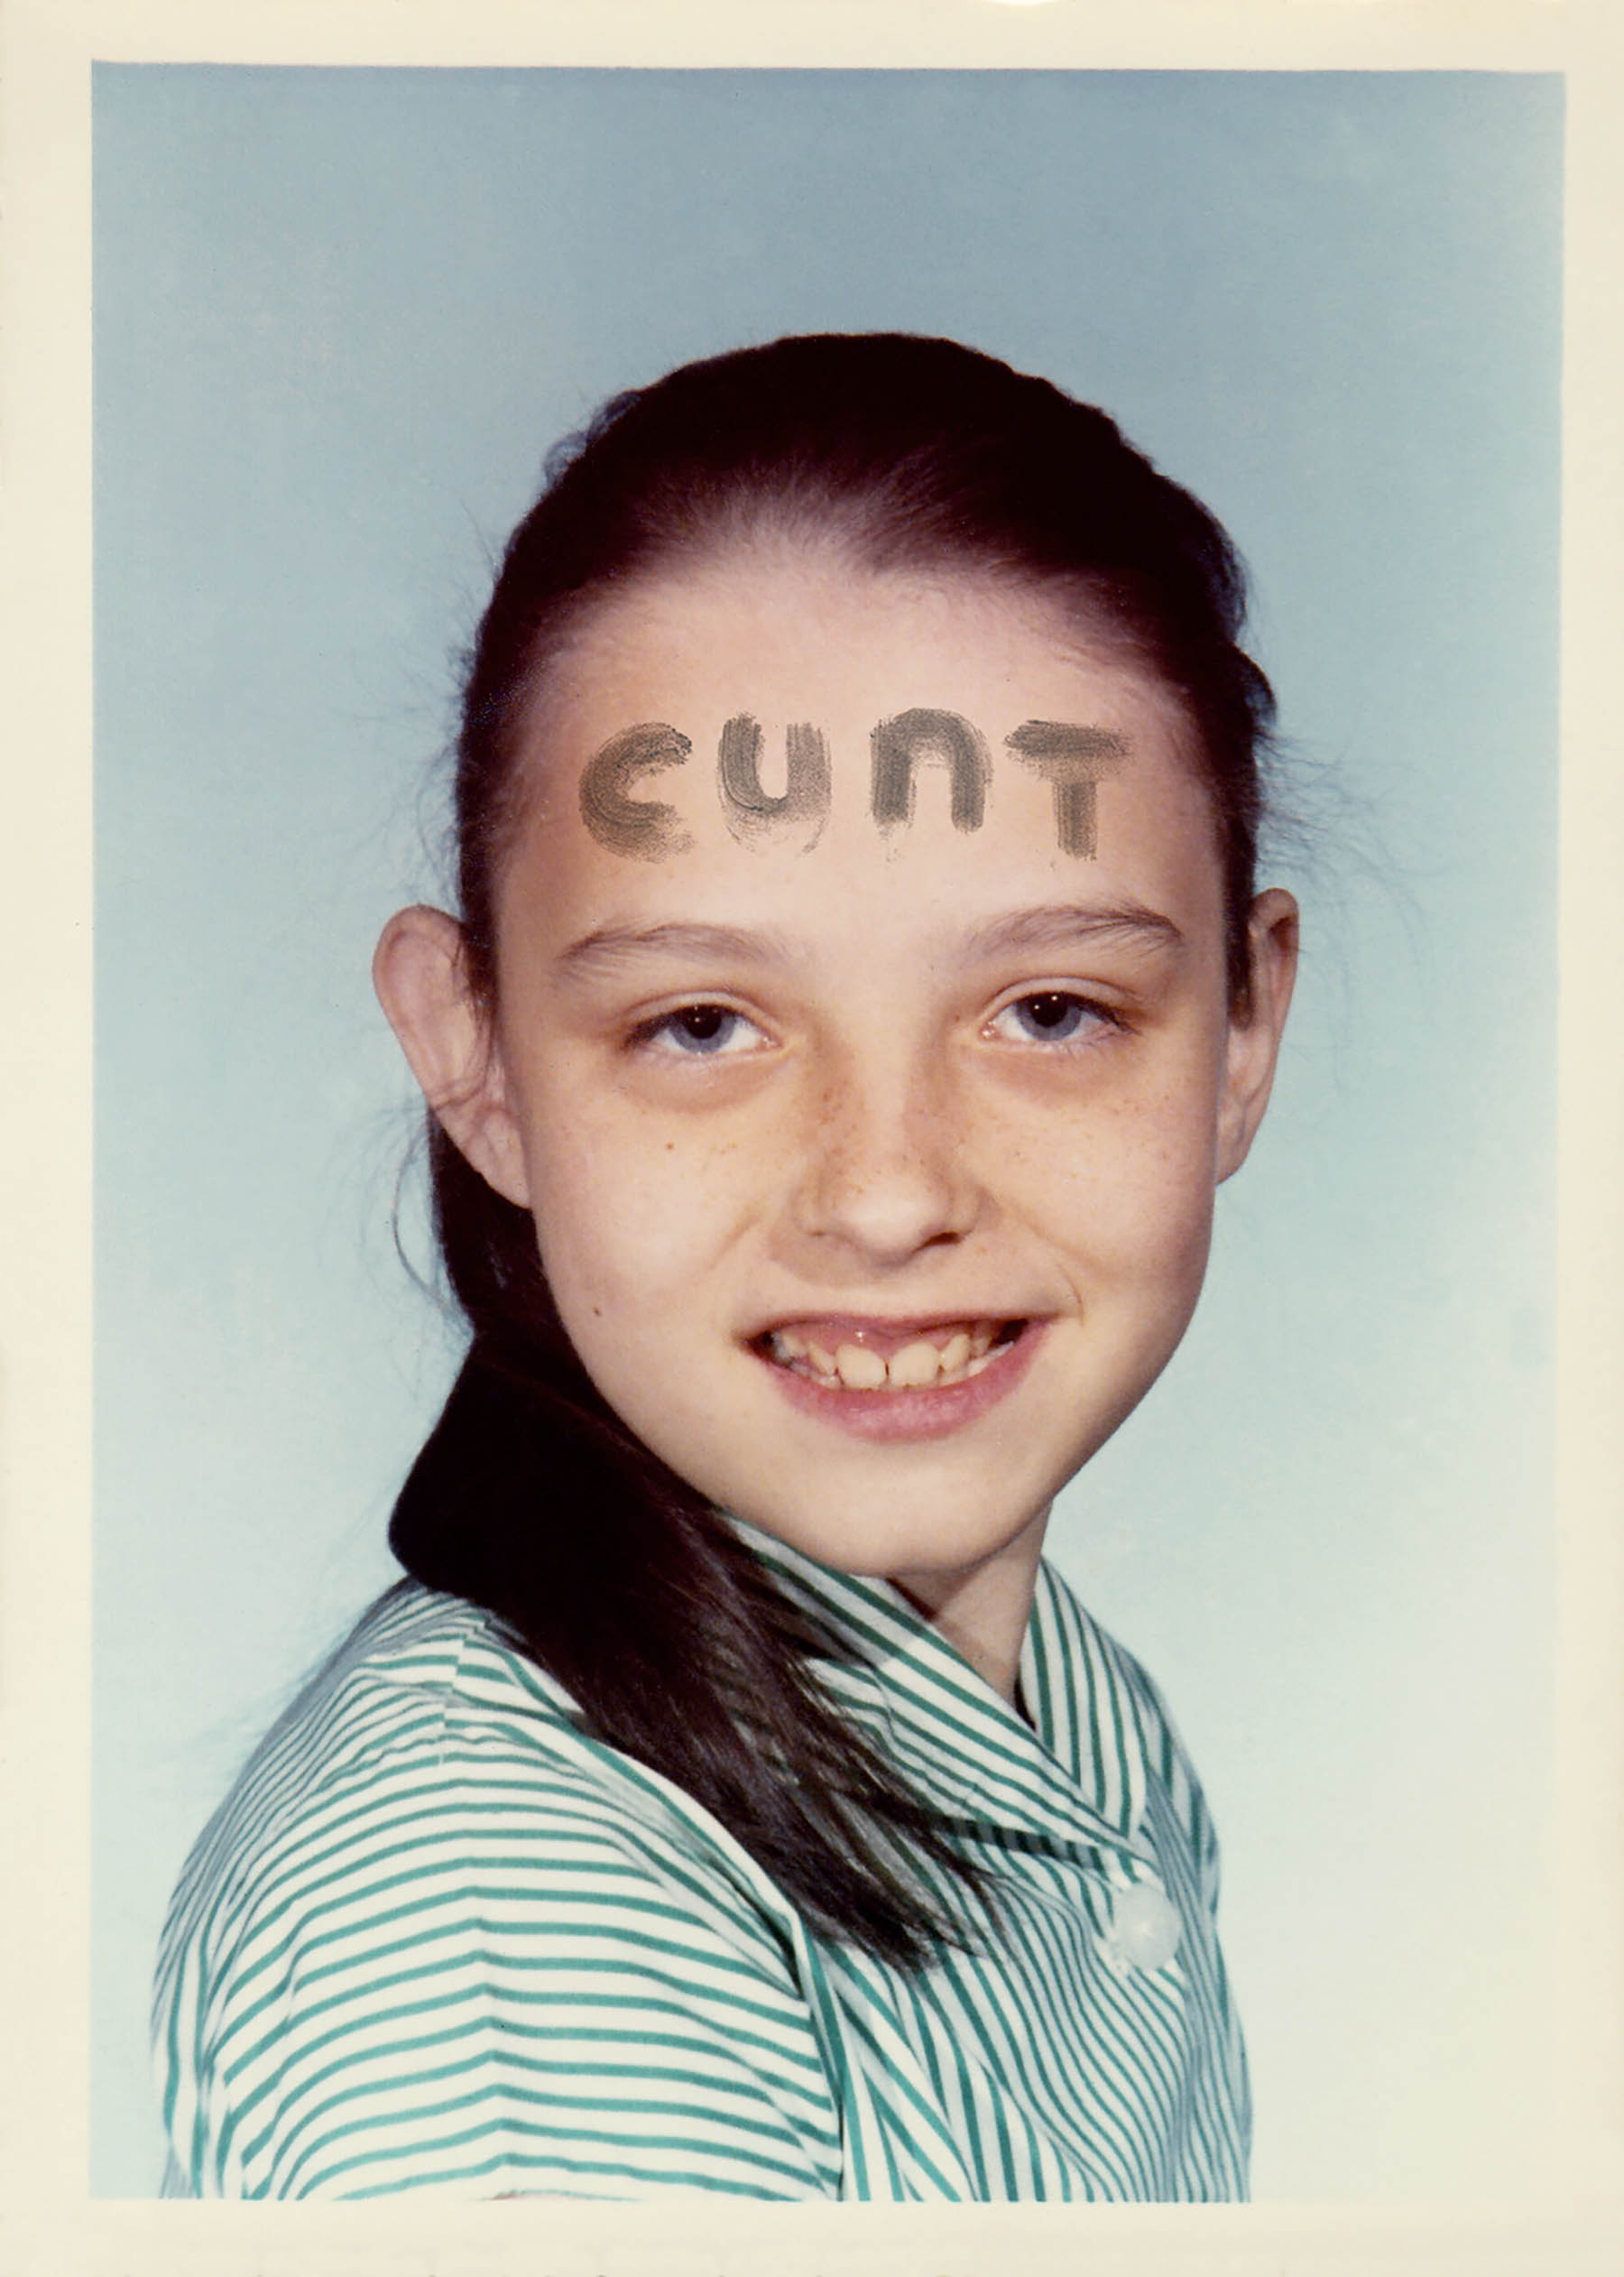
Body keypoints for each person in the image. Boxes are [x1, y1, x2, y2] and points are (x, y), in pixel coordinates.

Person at [153, 332, 1298, 2202]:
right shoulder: (489, 1915)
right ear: (480, 1058)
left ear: (1245, 1027)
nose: (884, 1192)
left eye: (1052, 1007)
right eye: (701, 1023)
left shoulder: (1086, 1729)